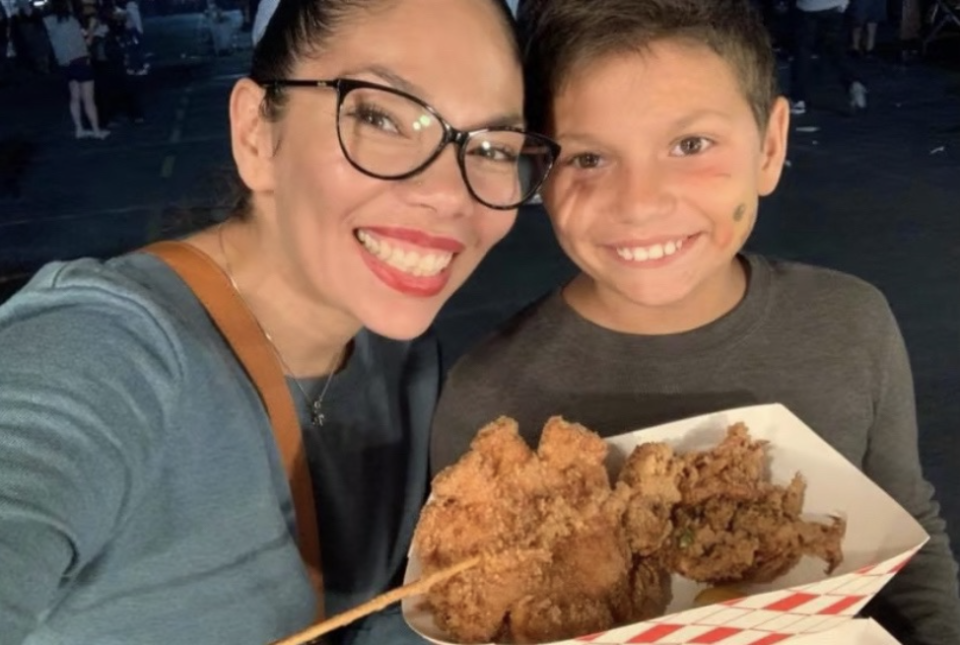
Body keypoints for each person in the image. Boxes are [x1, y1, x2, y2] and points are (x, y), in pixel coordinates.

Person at [0, 0, 557, 644]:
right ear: (257, 134)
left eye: (492, 146)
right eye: (380, 116)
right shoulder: (104, 349)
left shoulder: (407, 366)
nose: (451, 195)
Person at [429, 0, 960, 643]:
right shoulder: (487, 396)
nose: (640, 203)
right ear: (542, 170)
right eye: (589, 158)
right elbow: (462, 598)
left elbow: (911, 534)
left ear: (770, 148)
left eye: (690, 144)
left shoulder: (853, 325)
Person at [42, 0, 109, 139]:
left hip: (64, 63)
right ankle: (96, 130)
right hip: (80, 60)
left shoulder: (48, 21)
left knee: (74, 97)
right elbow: (85, 42)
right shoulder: (71, 21)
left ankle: (79, 129)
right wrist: (91, 30)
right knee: (88, 99)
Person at [789, 0, 867, 115]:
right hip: (836, 5)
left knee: (803, 52)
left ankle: (798, 99)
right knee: (836, 50)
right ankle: (852, 82)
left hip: (808, 6)